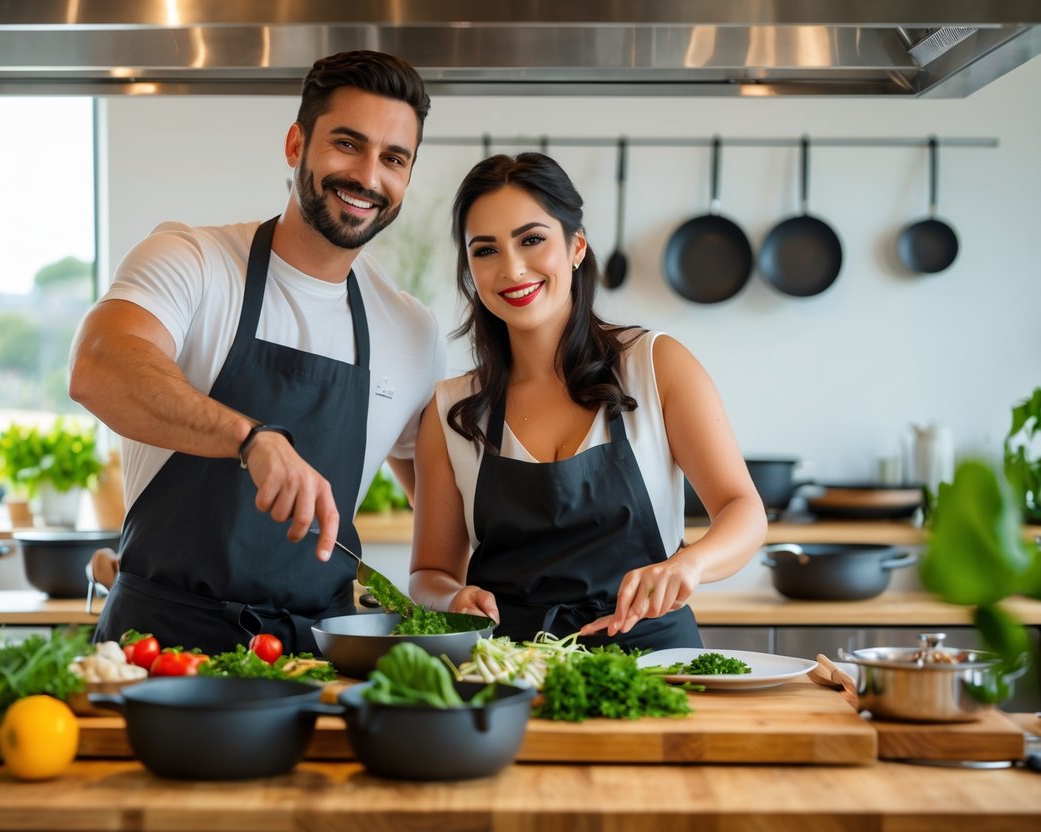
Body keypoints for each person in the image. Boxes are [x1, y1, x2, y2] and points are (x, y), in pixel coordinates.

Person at [69, 50, 445, 655]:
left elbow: (440, 497)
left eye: (394, 159)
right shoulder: (192, 261)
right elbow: (98, 367)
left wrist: (456, 587)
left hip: (314, 664)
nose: (369, 177)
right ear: (296, 144)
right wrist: (252, 440)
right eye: (347, 144)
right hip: (158, 653)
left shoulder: (409, 329)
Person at [408, 153, 767, 651]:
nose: (511, 269)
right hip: (510, 672)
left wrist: (690, 563)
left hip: (656, 663)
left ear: (576, 246)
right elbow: (429, 573)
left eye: (532, 240)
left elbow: (743, 509)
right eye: (485, 250)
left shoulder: (655, 365)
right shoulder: (452, 411)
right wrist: (451, 599)